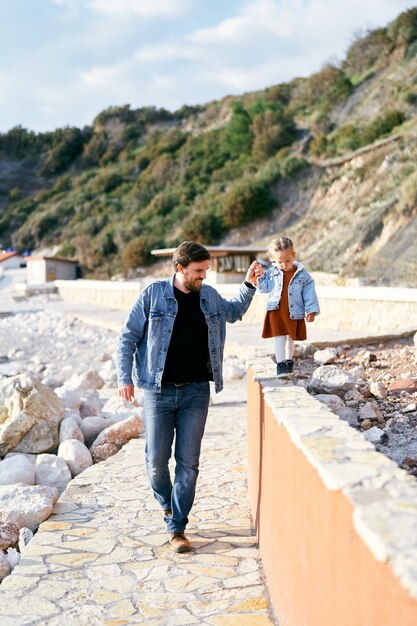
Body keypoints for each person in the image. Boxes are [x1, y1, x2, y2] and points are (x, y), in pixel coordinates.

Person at [116, 241, 263, 553]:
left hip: (196, 391)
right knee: (156, 462)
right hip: (157, 391)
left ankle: (177, 526)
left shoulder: (207, 296)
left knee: (188, 462)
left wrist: (249, 283)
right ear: (179, 268)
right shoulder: (153, 295)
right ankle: (169, 507)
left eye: (205, 271)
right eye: (198, 271)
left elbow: (233, 312)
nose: (203, 277)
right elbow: (127, 337)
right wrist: (124, 377)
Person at [256, 236, 319, 378]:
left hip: (294, 311)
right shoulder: (271, 274)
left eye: (287, 261)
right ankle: (280, 366)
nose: (284, 264)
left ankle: (288, 362)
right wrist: (259, 277)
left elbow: (309, 293)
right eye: (279, 262)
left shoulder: (303, 275)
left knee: (291, 337)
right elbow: (264, 289)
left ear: (294, 255)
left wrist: (311, 310)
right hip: (276, 311)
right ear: (274, 259)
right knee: (279, 338)